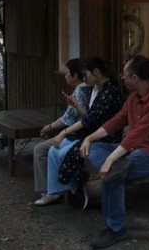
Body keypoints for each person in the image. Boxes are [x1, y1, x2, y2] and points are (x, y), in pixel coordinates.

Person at [80, 55, 149, 249]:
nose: (121, 78)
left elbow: (138, 134)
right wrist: (90, 138)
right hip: (133, 149)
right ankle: (114, 169)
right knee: (96, 150)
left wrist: (110, 159)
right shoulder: (133, 98)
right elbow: (117, 121)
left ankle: (115, 228)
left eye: (125, 75)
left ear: (134, 78)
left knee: (114, 171)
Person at [36, 56, 124, 207]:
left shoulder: (110, 92)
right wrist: (77, 106)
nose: (85, 77)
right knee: (53, 151)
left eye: (87, 73)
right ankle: (57, 191)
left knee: (64, 153)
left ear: (96, 72)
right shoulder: (98, 89)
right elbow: (90, 116)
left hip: (103, 138)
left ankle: (75, 188)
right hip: (90, 135)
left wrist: (63, 132)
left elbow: (90, 120)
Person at [33, 58, 90, 201]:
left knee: (40, 150)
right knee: (50, 150)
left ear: (75, 75)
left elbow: (68, 119)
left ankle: (49, 190)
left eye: (67, 73)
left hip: (76, 135)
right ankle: (54, 188)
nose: (65, 76)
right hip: (76, 133)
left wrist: (49, 127)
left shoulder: (80, 91)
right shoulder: (86, 88)